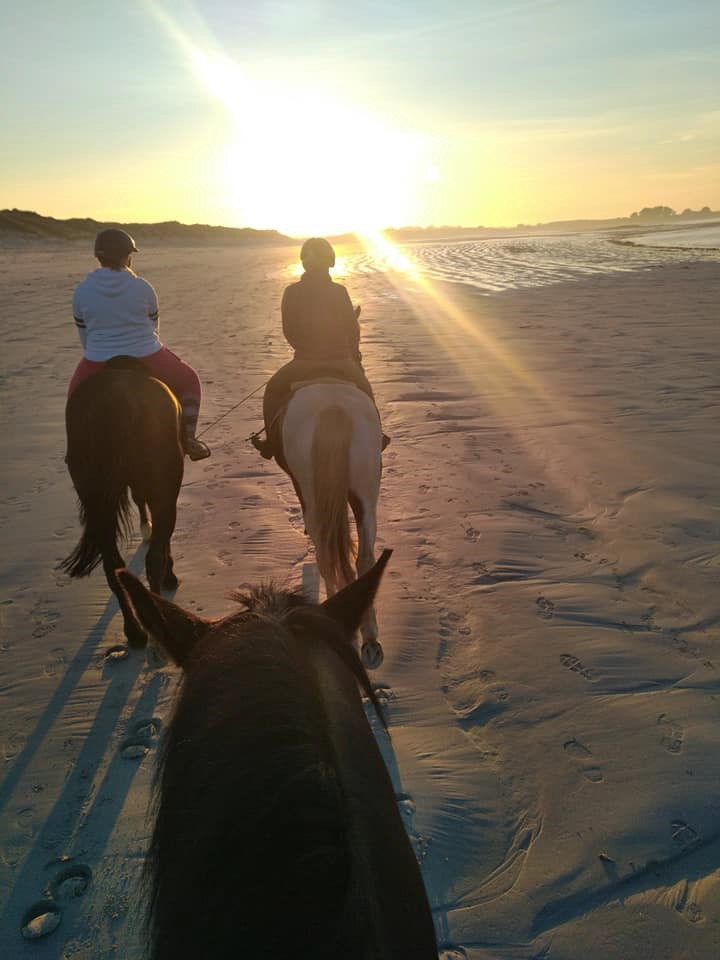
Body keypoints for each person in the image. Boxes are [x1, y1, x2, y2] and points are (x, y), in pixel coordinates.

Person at [68, 229, 210, 461]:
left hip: (98, 357)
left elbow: (85, 335)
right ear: (127, 256)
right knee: (190, 380)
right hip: (146, 353)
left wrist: (99, 353)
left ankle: (76, 449)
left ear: (99, 257)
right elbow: (154, 326)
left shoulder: (81, 291)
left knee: (74, 396)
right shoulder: (143, 287)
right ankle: (189, 439)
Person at [252, 237, 389, 459]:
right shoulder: (339, 291)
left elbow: (290, 330)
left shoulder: (292, 291)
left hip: (304, 362)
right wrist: (351, 356)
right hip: (342, 361)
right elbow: (352, 330)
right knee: (365, 389)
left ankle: (270, 442)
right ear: (330, 262)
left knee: (274, 389)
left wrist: (308, 349)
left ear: (305, 262)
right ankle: (378, 436)